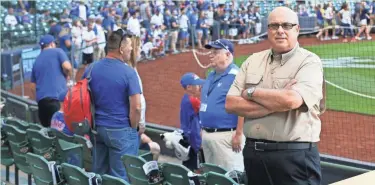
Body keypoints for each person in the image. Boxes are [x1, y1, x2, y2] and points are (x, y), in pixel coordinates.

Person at [225, 7, 325, 185]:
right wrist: (278, 101)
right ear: (268, 30)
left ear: (297, 29)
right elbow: (231, 104)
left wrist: (251, 93)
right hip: (253, 155)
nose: (280, 30)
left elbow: (291, 100)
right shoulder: (252, 60)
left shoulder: (309, 62)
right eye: (274, 26)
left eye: (286, 25)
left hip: (294, 156)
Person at [82, 29, 142, 182]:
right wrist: (133, 129)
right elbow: (136, 107)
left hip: (98, 130)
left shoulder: (91, 68)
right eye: (129, 46)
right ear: (121, 49)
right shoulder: (128, 72)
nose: (131, 49)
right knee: (121, 178)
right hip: (120, 130)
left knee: (100, 175)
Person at [199, 39, 245, 171]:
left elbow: (243, 107)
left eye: (216, 52)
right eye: (210, 52)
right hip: (208, 135)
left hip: (227, 137)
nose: (210, 55)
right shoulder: (211, 75)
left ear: (228, 55)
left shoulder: (236, 76)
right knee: (213, 177)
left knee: (230, 177)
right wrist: (204, 128)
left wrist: (239, 133)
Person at [127, 34, 160, 161]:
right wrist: (139, 126)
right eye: (138, 47)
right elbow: (136, 105)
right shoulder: (130, 72)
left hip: (132, 129)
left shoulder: (131, 69)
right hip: (132, 129)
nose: (140, 50)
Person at [31, 34, 72, 127]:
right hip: (56, 101)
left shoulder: (37, 60)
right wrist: (68, 76)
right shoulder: (58, 51)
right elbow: (68, 67)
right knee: (61, 133)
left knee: (47, 136)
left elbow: (32, 86)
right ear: (52, 44)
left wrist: (39, 100)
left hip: (42, 103)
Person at [180, 72, 205, 171]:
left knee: (188, 167)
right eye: (197, 84)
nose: (199, 86)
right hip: (194, 139)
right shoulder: (193, 101)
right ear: (189, 87)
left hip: (187, 136)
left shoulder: (185, 98)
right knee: (197, 169)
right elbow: (206, 110)